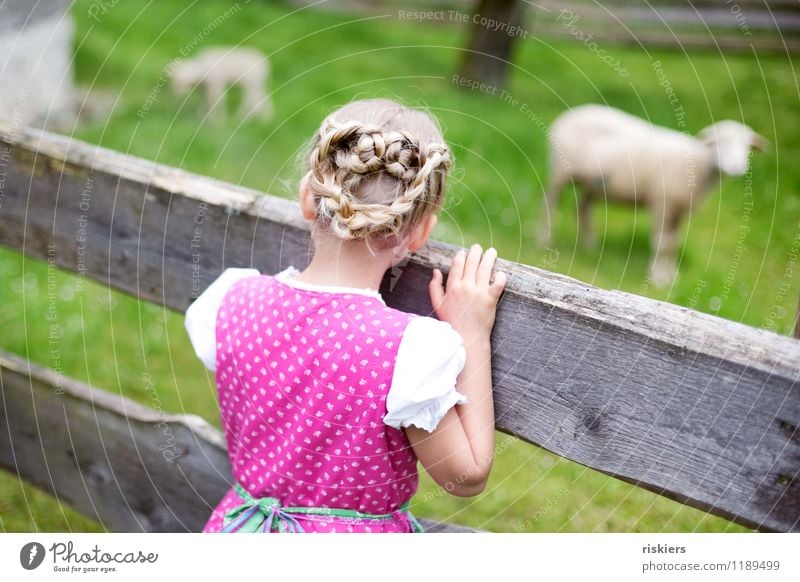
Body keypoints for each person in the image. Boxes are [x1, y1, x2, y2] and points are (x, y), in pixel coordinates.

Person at [184, 98, 507, 533]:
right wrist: (470, 332)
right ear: (419, 232)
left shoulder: (232, 302)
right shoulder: (408, 349)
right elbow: (466, 476)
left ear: (307, 198)